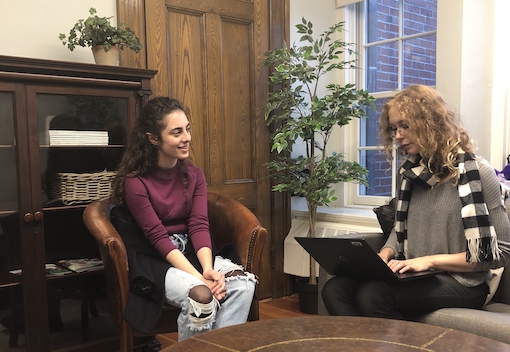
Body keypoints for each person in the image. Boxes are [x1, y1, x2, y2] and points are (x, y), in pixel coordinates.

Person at [322, 84, 510, 319]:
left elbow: (500, 253)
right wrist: (384, 255)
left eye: (405, 125)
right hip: (418, 273)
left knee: (374, 295)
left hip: (465, 283)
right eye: (394, 128)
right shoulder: (410, 173)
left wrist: (428, 262)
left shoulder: (477, 173)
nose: (398, 135)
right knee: (335, 289)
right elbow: (399, 230)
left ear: (430, 124)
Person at [110, 97, 256, 341]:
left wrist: (208, 269)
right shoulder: (135, 182)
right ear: (153, 138)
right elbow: (156, 237)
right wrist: (200, 279)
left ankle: (219, 348)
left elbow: (199, 224)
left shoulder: (194, 174)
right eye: (176, 132)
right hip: (154, 259)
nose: (186, 137)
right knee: (201, 296)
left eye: (187, 129)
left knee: (243, 285)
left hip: (188, 251)